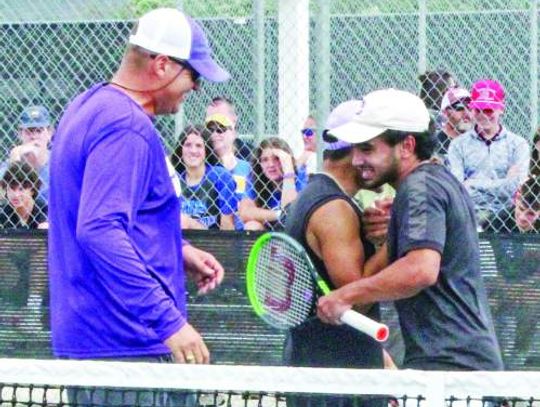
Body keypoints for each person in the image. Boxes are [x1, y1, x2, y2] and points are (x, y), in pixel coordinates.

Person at [48, 8, 228, 404]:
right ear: (162, 65)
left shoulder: (88, 105)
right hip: (127, 348)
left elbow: (99, 216)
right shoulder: (126, 124)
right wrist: (168, 321)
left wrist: (175, 251)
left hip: (103, 347)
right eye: (193, 75)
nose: (196, 88)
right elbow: (99, 230)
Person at [318, 88, 504, 372]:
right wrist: (393, 234)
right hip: (457, 364)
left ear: (406, 146)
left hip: (451, 369)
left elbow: (420, 270)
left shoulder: (420, 188)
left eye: (367, 148)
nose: (356, 160)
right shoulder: (434, 182)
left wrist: (345, 295)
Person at [284, 101, 386, 407]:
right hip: (336, 383)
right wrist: (394, 241)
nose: (380, 159)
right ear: (355, 152)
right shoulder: (334, 209)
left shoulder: (318, 197)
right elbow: (356, 303)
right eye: (372, 149)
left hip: (324, 372)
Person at [448, 79, 530, 231]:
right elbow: (458, 190)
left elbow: (517, 187)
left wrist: (472, 183)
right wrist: (504, 182)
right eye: (478, 110)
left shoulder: (518, 144)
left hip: (507, 216)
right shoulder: (458, 145)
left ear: (501, 109)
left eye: (489, 110)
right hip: (469, 213)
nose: (483, 115)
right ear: (471, 110)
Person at [171, 124, 238, 230]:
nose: (193, 151)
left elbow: (228, 226)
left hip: (212, 240)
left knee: (183, 220)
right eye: (188, 145)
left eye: (199, 146)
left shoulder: (221, 177)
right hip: (181, 241)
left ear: (206, 150)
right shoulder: (174, 180)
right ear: (181, 150)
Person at [239, 137, 307, 230]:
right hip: (268, 234)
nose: (271, 164)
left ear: (287, 160)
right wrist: (279, 214)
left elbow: (290, 214)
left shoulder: (301, 177)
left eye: (277, 159)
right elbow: (245, 212)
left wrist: (288, 172)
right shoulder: (255, 178)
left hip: (294, 233)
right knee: (251, 226)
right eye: (265, 160)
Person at [205, 98, 252, 229]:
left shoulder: (250, 161)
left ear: (233, 127)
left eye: (221, 128)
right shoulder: (201, 167)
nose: (214, 134)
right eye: (210, 128)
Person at [0, 105, 53, 204]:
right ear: (20, 134)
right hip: (17, 218)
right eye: (29, 131)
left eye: (39, 131)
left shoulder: (58, 162)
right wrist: (15, 164)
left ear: (49, 133)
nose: (33, 137)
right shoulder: (12, 161)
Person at [0, 162, 47, 229]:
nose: (16, 195)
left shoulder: (45, 211)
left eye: (21, 189)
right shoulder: (3, 213)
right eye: (12, 188)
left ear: (32, 190)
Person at [434, 87, 472, 165]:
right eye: (459, 107)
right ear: (445, 112)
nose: (467, 112)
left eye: (470, 107)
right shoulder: (435, 145)